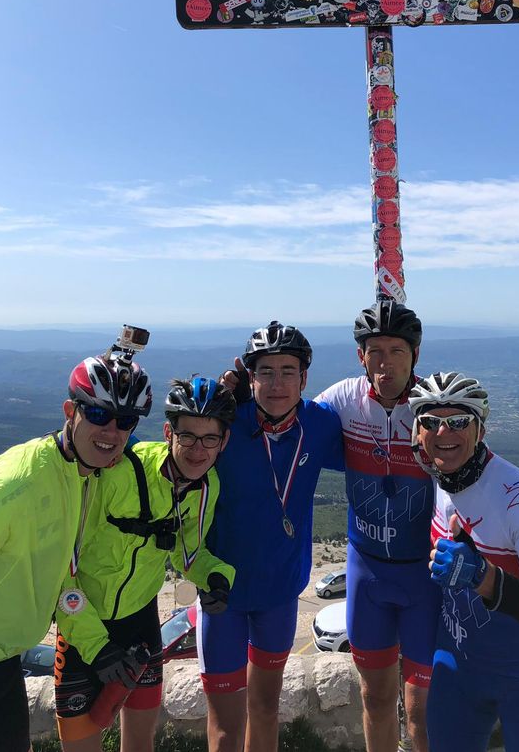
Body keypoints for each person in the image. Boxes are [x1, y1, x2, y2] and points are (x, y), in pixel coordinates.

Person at [0, 335, 152, 752]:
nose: (112, 431)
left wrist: (99, 649)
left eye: (126, 421)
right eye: (100, 413)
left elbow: (60, 578)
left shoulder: (81, 478)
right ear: (71, 411)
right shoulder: (23, 480)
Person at [53, 378, 237, 752]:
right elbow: (62, 569)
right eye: (187, 437)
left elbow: (188, 555)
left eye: (209, 439)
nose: (197, 451)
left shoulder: (205, 487)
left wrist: (217, 577)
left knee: (140, 744)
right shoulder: (115, 472)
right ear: (168, 432)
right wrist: (96, 646)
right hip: (81, 628)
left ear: (224, 442)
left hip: (141, 625)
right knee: (80, 747)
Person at [409, 372, 519, 752]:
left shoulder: (518, 497)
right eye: (431, 421)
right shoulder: (438, 477)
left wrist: (483, 576)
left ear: (480, 429)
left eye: (458, 421)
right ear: (417, 432)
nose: (443, 432)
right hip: (459, 662)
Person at [203, 321, 344, 752]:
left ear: (305, 378)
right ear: (249, 376)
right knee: (226, 725)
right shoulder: (223, 422)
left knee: (265, 710)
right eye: (266, 371)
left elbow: (382, 457)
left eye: (288, 371)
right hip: (221, 595)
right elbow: (167, 456)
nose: (277, 383)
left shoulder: (321, 425)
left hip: (280, 594)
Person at [315, 300, 440, 752]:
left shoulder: (434, 407)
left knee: (423, 708)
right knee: (375, 696)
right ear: (360, 356)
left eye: (397, 351)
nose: (385, 362)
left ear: (416, 355)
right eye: (375, 351)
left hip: (422, 576)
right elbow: (287, 422)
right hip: (367, 570)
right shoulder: (344, 399)